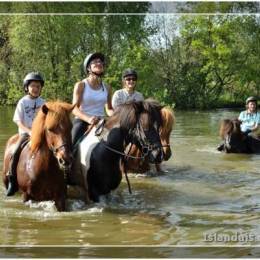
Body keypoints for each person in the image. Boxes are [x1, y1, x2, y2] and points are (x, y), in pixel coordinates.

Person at [6, 72, 45, 196]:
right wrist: (28, 131)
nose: (35, 89)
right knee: (16, 151)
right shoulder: (23, 102)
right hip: (25, 133)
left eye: (38, 86)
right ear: (27, 87)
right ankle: (12, 178)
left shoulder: (43, 102)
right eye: (33, 86)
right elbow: (17, 120)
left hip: (41, 133)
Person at [71, 52, 114, 147]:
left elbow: (109, 109)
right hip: (82, 121)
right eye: (95, 62)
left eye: (100, 62)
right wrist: (88, 119)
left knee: (117, 143)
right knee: (71, 144)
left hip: (101, 122)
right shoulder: (81, 85)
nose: (99, 63)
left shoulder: (107, 87)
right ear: (88, 68)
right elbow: (74, 109)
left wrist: (116, 116)